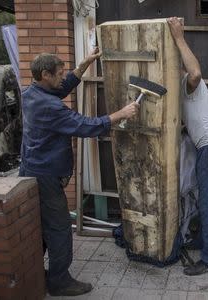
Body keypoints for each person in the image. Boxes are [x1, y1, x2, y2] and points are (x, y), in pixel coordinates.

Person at [19, 48, 139, 296]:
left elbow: (61, 89)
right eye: (59, 74)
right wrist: (121, 114)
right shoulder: (49, 107)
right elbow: (84, 126)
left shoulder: (32, 93)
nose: (63, 78)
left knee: (42, 226)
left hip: (33, 168)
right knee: (60, 228)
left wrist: (83, 65)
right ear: (45, 74)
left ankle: (33, 272)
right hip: (45, 175)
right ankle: (59, 281)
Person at [167, 17, 208, 276]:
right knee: (206, 201)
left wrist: (179, 38)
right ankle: (206, 244)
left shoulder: (187, 83)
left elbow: (195, 72)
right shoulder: (179, 93)